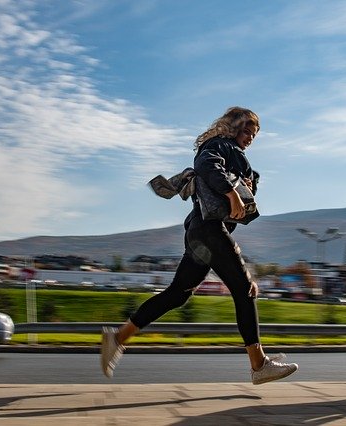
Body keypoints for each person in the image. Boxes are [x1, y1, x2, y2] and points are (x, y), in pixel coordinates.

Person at [100, 107, 298, 385]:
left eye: (254, 135)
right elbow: (207, 164)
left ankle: (118, 337)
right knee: (244, 289)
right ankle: (259, 364)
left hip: (201, 233)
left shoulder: (232, 154)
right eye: (247, 132)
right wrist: (233, 193)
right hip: (208, 231)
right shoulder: (220, 146)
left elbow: (230, 196)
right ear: (233, 128)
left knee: (177, 294)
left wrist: (245, 189)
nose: (250, 138)